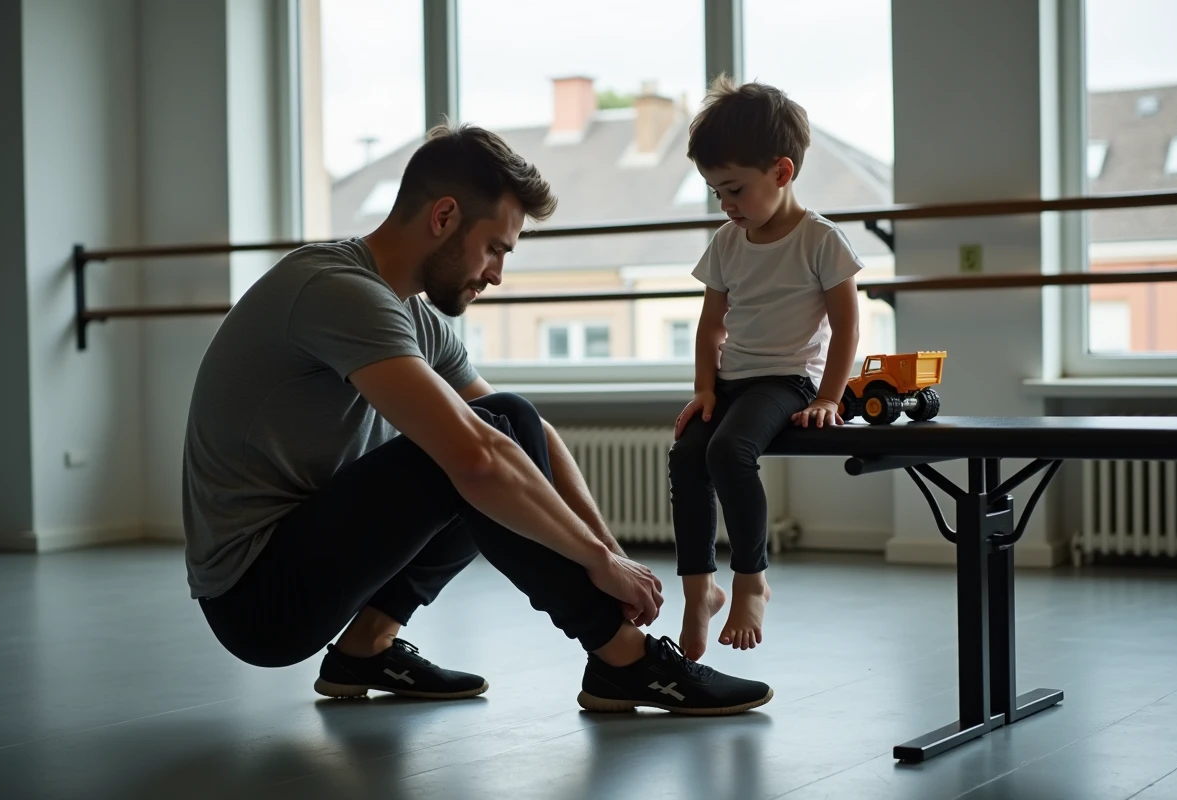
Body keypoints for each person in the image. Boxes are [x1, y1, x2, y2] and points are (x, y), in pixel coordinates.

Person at [181, 122, 774, 715]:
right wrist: (598, 564)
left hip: (308, 567)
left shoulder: (410, 315)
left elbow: (526, 431)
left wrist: (606, 552)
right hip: (256, 600)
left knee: (504, 421)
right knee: (472, 455)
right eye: (495, 248)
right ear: (443, 217)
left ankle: (366, 647)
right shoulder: (336, 291)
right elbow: (480, 457)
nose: (496, 274)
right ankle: (624, 659)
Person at [669, 77, 863, 661]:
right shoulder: (727, 242)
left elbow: (847, 328)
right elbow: (711, 326)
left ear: (782, 172)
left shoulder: (820, 240)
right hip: (732, 382)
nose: (726, 205)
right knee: (687, 454)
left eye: (734, 190)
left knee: (729, 451)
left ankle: (751, 581)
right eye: (716, 192)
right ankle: (700, 591)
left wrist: (829, 397)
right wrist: (705, 389)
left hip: (787, 380)